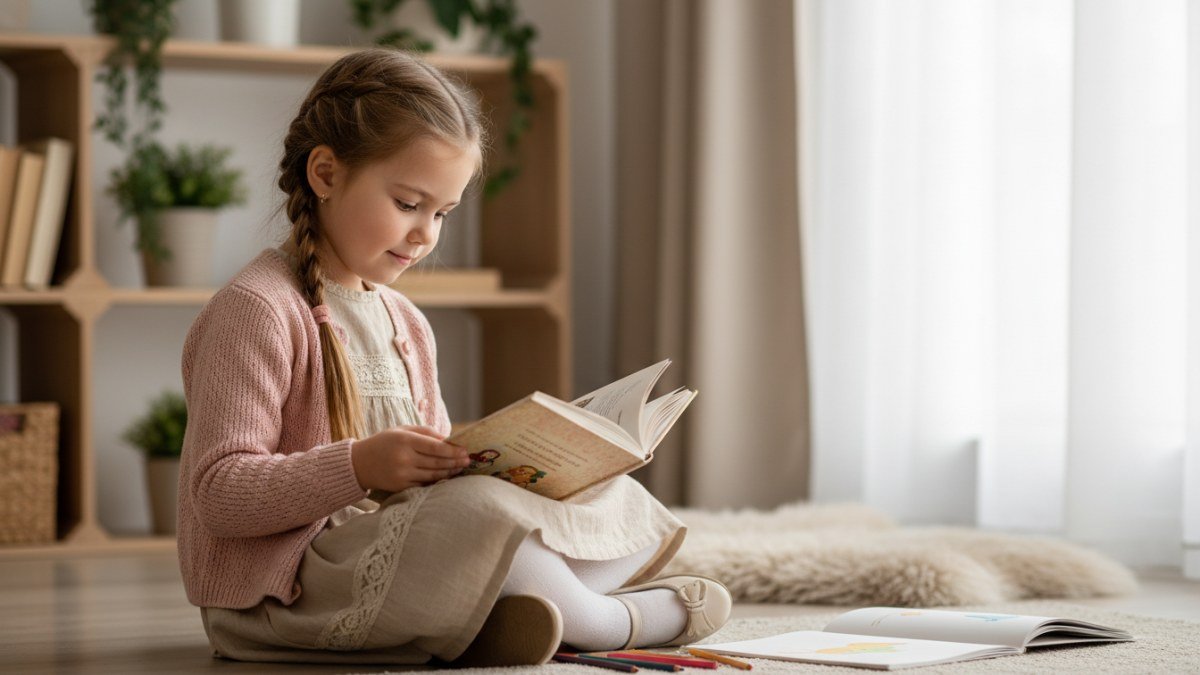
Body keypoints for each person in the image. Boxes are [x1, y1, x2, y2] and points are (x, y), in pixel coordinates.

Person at [176, 48, 731, 667]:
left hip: (399, 556)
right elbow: (218, 494)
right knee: (482, 517)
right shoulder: (257, 309)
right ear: (326, 174)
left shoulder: (405, 322)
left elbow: (433, 495)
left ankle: (492, 614)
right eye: (409, 204)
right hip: (288, 591)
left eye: (442, 213)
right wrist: (359, 466)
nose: (426, 235)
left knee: (610, 494)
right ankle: (608, 619)